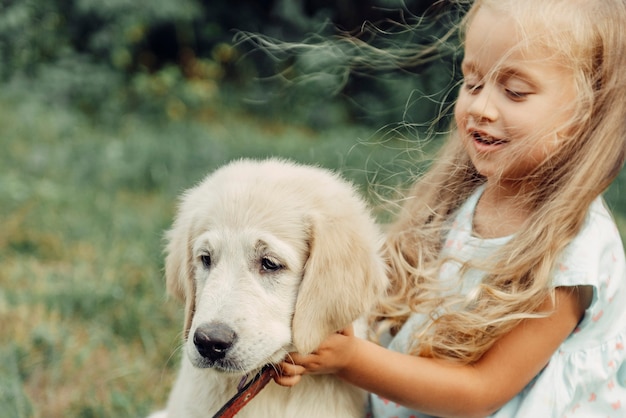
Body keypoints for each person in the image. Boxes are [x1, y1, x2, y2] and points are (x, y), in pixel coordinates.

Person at [274, 0, 626, 416]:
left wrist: (352, 360)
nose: (480, 107)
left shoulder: (573, 253)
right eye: (473, 83)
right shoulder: (469, 193)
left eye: (514, 92)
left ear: (586, 111)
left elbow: (479, 393)